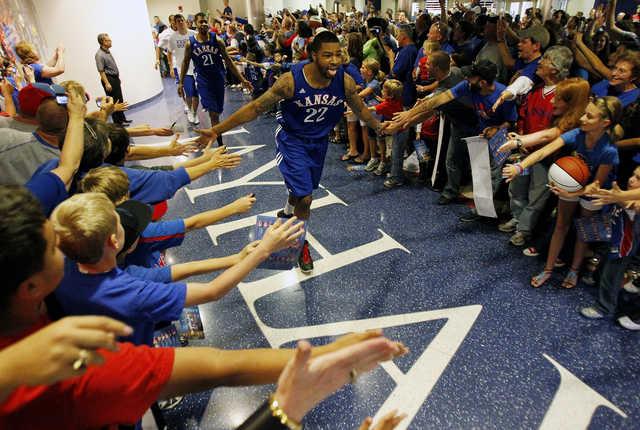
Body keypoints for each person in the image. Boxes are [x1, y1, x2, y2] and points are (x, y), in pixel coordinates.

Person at [0, 185, 406, 428]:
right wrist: (332, 355)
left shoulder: (73, 274)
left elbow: (173, 274)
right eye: (51, 243)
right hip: (123, 384)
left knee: (186, 324)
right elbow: (221, 357)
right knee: (186, 331)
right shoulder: (88, 360)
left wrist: (236, 257)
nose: (57, 241)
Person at [196, 31, 383, 274]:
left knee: (299, 195)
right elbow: (255, 107)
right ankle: (300, 243)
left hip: (319, 144)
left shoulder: (344, 81)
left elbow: (359, 108)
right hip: (292, 141)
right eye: (327, 55)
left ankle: (285, 213)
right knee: (305, 197)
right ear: (313, 55)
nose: (335, 60)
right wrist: (216, 129)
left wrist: (379, 126)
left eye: (338, 54)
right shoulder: (290, 81)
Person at [503, 96, 622, 289]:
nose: (582, 118)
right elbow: (546, 149)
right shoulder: (578, 133)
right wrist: (520, 166)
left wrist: (572, 191)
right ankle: (548, 269)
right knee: (560, 226)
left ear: (604, 123)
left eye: (589, 116)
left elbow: (596, 185)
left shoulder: (609, 150)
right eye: (584, 113)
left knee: (584, 231)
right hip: (573, 183)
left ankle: (574, 270)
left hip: (593, 191)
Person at [180, 15, 252, 146]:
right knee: (213, 114)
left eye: (205, 21)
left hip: (218, 79)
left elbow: (229, 61)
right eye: (200, 21)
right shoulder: (190, 43)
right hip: (203, 81)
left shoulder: (217, 40)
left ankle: (217, 135)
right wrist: (180, 82)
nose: (203, 24)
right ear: (196, 24)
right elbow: (185, 63)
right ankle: (220, 144)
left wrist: (242, 79)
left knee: (218, 112)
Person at [168, 14, 200, 124]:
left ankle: (195, 113)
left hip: (196, 68)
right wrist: (171, 67)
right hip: (183, 70)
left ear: (185, 21)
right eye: (178, 21)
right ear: (175, 24)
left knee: (196, 94)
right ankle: (190, 110)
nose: (181, 22)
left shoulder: (194, 34)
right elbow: (169, 52)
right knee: (189, 93)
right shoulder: (173, 37)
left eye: (182, 20)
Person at [95, 33, 130, 125]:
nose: (111, 41)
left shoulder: (107, 51)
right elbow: (101, 71)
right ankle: (117, 123)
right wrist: (107, 83)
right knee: (113, 102)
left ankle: (122, 119)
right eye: (109, 40)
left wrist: (117, 78)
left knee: (119, 99)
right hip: (109, 80)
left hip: (114, 79)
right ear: (103, 42)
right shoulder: (99, 55)